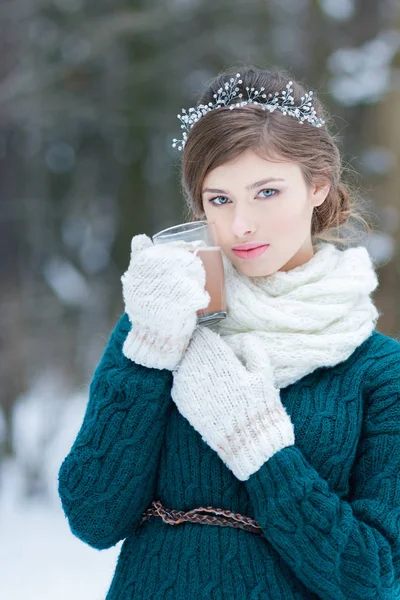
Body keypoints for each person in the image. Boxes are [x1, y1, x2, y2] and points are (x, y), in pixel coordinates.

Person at [58, 66, 400, 599]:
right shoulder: (165, 323)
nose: (241, 224)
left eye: (266, 192)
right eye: (220, 199)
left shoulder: (378, 371)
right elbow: (92, 516)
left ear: (317, 187)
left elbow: (374, 578)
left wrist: (262, 449)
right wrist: (147, 353)